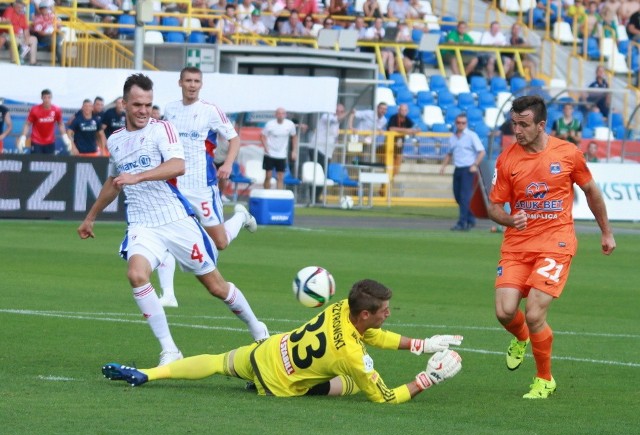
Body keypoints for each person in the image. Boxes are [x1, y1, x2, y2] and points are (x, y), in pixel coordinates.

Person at [77, 73, 269, 367]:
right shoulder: (115, 141)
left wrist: (138, 176)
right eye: (137, 104)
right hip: (142, 223)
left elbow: (178, 166)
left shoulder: (162, 129)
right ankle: (170, 350)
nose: (143, 110)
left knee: (216, 287)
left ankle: (258, 328)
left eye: (148, 104)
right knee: (136, 275)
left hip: (176, 219)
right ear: (124, 104)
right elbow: (114, 181)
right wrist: (90, 217)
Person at [102, 279, 464, 405]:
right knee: (355, 382)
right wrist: (426, 379)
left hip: (266, 352)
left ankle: (149, 374)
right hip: (279, 385)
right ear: (365, 314)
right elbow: (386, 398)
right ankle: (273, 387)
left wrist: (423, 344)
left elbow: (374, 335)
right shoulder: (352, 355)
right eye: (383, 310)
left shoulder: (341, 307)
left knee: (214, 361)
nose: (388, 314)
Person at [487, 95, 616, 399]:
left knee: (534, 314)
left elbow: (591, 192)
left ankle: (544, 379)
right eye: (513, 123)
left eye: (524, 124)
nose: (517, 130)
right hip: (517, 244)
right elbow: (494, 207)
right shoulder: (507, 159)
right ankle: (520, 337)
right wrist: (509, 219)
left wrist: (606, 232)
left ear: (541, 124)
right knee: (505, 312)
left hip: (556, 242)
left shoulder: (568, 153)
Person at [158, 66, 258, 307]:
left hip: (202, 186)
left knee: (220, 242)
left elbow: (234, 139)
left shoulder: (210, 111)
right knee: (165, 235)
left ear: (200, 84)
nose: (192, 85)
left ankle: (241, 217)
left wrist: (228, 164)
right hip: (175, 185)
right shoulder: (169, 110)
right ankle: (168, 294)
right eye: (188, 80)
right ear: (179, 82)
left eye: (196, 81)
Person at [439, 114, 485, 231]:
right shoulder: (453, 137)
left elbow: (481, 152)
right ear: (455, 123)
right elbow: (449, 153)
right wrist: (443, 166)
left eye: (463, 123)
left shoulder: (471, 136)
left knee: (464, 197)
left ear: (466, 124)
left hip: (468, 169)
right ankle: (470, 218)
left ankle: (462, 223)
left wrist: (475, 165)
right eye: (459, 122)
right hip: (458, 168)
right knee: (458, 197)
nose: (461, 125)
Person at [18, 89, 71, 155]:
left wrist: (65, 137)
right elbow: (27, 124)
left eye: (48, 97)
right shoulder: (35, 110)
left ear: (51, 98)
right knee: (35, 163)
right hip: (36, 141)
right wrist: (23, 137)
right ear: (41, 98)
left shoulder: (56, 110)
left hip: (50, 142)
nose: (47, 100)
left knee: (49, 164)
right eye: (45, 97)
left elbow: (60, 124)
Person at [260, 107, 298, 189]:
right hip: (269, 154)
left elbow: (294, 137)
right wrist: (266, 147)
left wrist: (294, 151)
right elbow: (262, 136)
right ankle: (266, 193)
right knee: (268, 175)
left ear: (285, 115)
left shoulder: (290, 124)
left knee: (280, 176)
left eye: (283, 113)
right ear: (276, 115)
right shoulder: (270, 124)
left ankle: (279, 195)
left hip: (281, 154)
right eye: (279, 113)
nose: (281, 115)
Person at [0, 0, 38, 66]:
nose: (21, 9)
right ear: (14, 7)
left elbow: (26, 29)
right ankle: (14, 61)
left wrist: (26, 40)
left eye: (22, 7)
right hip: (8, 34)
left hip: (20, 35)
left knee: (33, 39)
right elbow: (7, 21)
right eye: (19, 7)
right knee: (15, 39)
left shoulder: (22, 15)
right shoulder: (10, 10)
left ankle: (33, 62)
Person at [386, 103, 419, 177]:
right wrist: (406, 130)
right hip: (390, 147)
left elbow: (415, 128)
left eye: (405, 110)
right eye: (402, 110)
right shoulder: (393, 117)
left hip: (399, 148)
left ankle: (391, 184)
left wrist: (415, 130)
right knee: (388, 168)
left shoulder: (407, 119)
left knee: (396, 170)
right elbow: (391, 128)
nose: (403, 112)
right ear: (398, 110)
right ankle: (385, 186)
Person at [314, 103, 346, 170]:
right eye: (337, 111)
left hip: (327, 151)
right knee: (319, 171)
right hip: (318, 149)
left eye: (341, 112)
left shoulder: (337, 123)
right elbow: (335, 119)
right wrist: (349, 112)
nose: (339, 113)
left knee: (324, 170)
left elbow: (333, 135)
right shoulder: (327, 116)